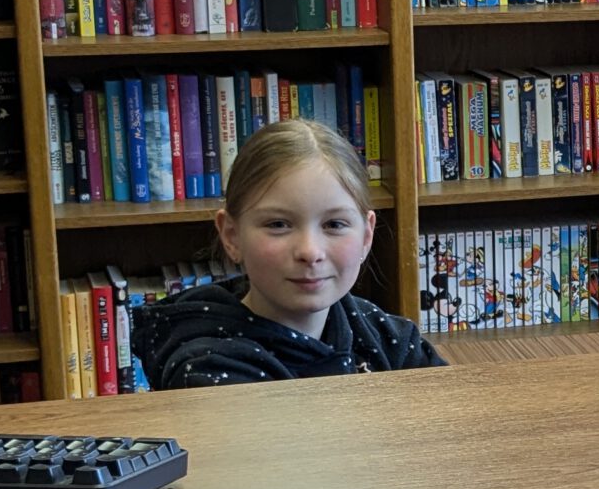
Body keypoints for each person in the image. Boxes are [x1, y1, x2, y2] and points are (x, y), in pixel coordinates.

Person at [131, 117, 444, 387]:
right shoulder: (210, 368)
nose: (310, 251)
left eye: (334, 224)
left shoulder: (386, 336)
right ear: (232, 236)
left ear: (366, 235)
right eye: (278, 224)